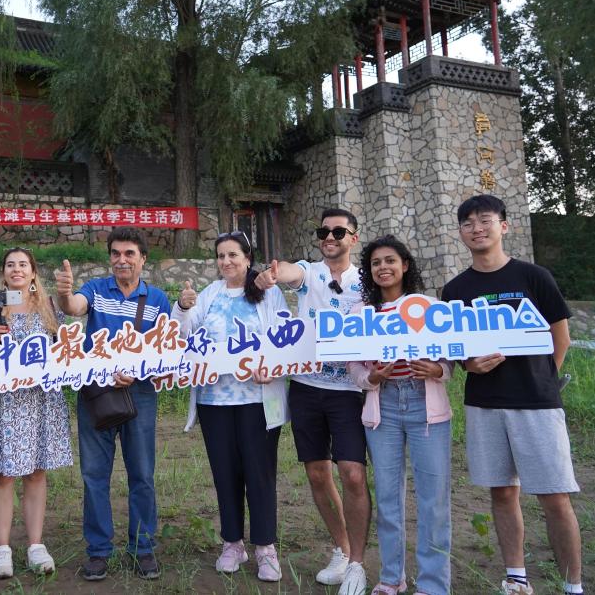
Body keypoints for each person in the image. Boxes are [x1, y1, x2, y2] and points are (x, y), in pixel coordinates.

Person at [441, 195, 582, 595]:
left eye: (484, 220)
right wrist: (469, 364)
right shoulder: (455, 290)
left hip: (537, 403)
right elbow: (456, 348)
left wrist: (543, 378)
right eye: (467, 223)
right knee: (502, 492)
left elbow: (560, 336)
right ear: (460, 233)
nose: (477, 228)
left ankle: (573, 585)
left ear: (503, 225)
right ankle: (516, 577)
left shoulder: (534, 277)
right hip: (485, 404)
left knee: (554, 497)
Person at [256, 207, 371, 595]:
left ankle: (358, 563)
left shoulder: (365, 280)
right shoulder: (310, 272)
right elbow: (291, 272)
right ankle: (342, 549)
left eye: (339, 232)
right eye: (324, 232)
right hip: (305, 387)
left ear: (353, 237)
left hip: (349, 390)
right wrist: (275, 273)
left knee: (352, 473)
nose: (330, 238)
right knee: (318, 473)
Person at [171, 231, 290, 582]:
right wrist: (183, 307)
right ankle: (232, 543)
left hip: (257, 400)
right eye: (221, 256)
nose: (226, 261)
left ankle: (265, 548)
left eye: (233, 255)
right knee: (225, 473)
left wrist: (274, 367)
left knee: (260, 474)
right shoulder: (209, 294)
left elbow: (285, 336)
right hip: (214, 401)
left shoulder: (269, 293)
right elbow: (184, 337)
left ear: (247, 258)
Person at [55, 227, 171, 581]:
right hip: (96, 393)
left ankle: (143, 548)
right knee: (94, 475)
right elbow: (75, 307)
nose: (122, 260)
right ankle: (98, 551)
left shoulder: (158, 299)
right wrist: (64, 294)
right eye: (116, 253)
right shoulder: (95, 289)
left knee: (142, 474)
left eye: (129, 253)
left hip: (141, 393)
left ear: (143, 259)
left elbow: (166, 349)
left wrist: (137, 372)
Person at [347, 236, 453, 595]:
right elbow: (353, 365)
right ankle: (391, 578)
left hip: (426, 406)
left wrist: (438, 370)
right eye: (376, 263)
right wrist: (372, 378)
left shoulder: (429, 307)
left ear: (405, 265)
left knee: (433, 499)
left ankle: (433, 584)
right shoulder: (361, 314)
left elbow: (451, 356)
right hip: (384, 407)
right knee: (388, 498)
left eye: (390, 260)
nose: (383, 268)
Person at [0, 248, 73, 579]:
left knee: (36, 472)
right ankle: (2, 548)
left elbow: (66, 350)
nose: (16, 269)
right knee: (3, 474)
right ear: (3, 272)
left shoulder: (50, 308)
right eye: (10, 264)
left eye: (23, 264)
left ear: (33, 273)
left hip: (39, 400)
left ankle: (35, 545)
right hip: (0, 402)